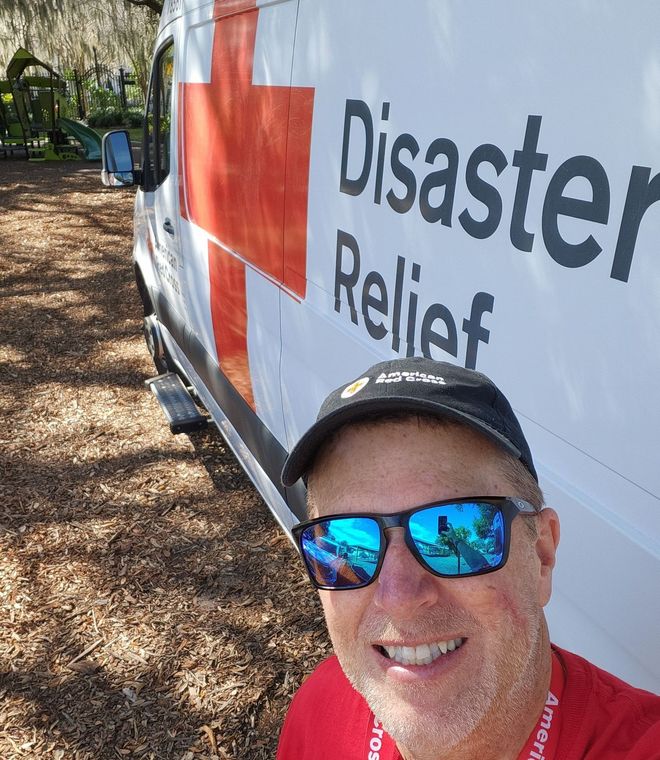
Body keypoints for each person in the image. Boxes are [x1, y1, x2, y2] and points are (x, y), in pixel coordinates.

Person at [276, 357, 660, 760]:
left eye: (466, 521)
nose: (399, 597)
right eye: (340, 540)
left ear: (542, 556)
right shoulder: (319, 710)